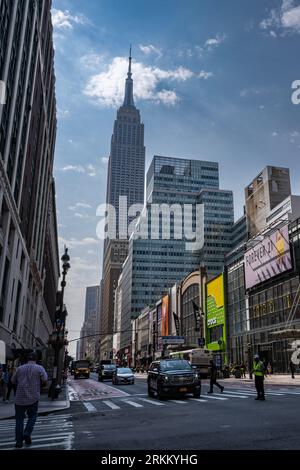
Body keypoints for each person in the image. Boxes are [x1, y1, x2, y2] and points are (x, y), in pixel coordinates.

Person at [11, 351, 48, 448]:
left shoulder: (19, 368)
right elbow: (45, 379)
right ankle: (27, 432)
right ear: (36, 359)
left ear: (27, 359)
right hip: (33, 397)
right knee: (32, 416)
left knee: (19, 420)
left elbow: (13, 381)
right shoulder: (39, 368)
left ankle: (19, 442)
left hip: (19, 398)